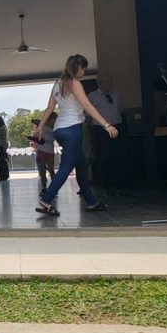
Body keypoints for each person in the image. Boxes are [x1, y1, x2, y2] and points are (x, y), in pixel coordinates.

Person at [35, 55, 118, 216]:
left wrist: (41, 125)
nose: (84, 72)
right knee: (66, 167)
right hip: (72, 130)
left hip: (60, 130)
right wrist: (106, 124)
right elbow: (87, 106)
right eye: (83, 68)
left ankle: (91, 202)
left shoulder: (57, 84)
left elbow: (50, 108)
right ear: (78, 68)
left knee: (80, 165)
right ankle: (46, 199)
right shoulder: (74, 83)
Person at [87, 72, 125, 194]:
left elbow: (120, 110)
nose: (109, 84)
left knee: (118, 155)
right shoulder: (92, 96)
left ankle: (119, 184)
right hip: (101, 130)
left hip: (117, 127)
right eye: (106, 81)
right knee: (104, 157)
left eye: (110, 81)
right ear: (99, 83)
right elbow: (87, 114)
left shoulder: (117, 94)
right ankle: (106, 185)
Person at [31, 114, 56, 194]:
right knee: (42, 170)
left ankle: (54, 188)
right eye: (53, 120)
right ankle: (44, 188)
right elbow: (33, 120)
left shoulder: (55, 127)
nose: (54, 122)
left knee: (51, 170)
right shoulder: (44, 125)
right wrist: (42, 122)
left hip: (50, 150)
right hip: (42, 150)